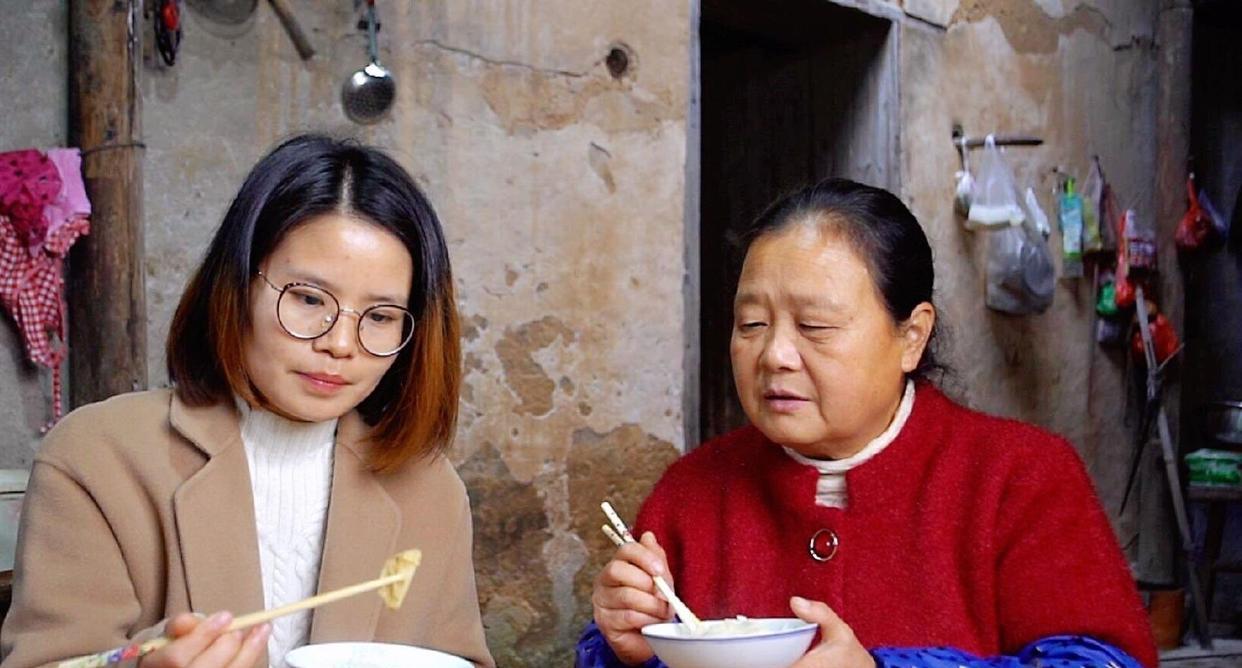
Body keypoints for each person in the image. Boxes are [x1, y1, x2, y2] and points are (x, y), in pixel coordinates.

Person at [577, 178, 1157, 668]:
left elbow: (1104, 661)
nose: (775, 354)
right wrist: (621, 646)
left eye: (815, 326)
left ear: (911, 336)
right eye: (752, 324)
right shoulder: (693, 489)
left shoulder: (1019, 477)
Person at [0, 134, 494, 668]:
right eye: (307, 299)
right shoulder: (98, 457)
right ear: (236, 285)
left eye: (379, 317)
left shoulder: (428, 487)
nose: (341, 344)